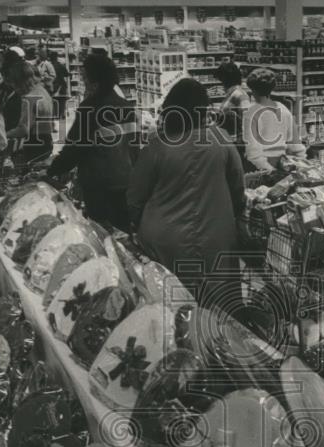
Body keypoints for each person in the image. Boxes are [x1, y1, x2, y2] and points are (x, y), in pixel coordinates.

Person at [127, 77, 246, 311]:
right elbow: (238, 189)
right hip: (215, 239)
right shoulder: (221, 139)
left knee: (170, 310)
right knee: (219, 310)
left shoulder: (157, 146)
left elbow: (135, 198)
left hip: (165, 242)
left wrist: (135, 223)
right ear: (203, 110)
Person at [47, 52, 135, 231]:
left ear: (95, 80)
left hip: (98, 186)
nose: (84, 81)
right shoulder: (127, 107)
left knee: (101, 231)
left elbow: (74, 149)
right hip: (125, 182)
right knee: (122, 231)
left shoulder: (90, 108)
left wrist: (51, 171)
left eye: (85, 77)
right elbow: (135, 148)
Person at [242, 68, 305, 172]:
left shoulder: (251, 113)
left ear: (252, 90)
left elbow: (253, 153)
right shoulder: (283, 108)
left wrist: (270, 171)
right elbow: (296, 144)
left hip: (261, 168)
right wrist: (300, 164)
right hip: (283, 163)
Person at [4, 61, 54, 164]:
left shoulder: (28, 99)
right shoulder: (42, 90)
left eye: (14, 84)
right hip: (47, 142)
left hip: (34, 146)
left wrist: (3, 135)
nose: (14, 88)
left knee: (26, 177)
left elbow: (23, 129)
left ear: (20, 82)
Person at [214, 62, 251, 160]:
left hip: (236, 144)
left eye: (221, 79)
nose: (220, 83)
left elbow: (247, 119)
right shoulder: (232, 93)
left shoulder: (239, 94)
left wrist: (242, 143)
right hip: (229, 142)